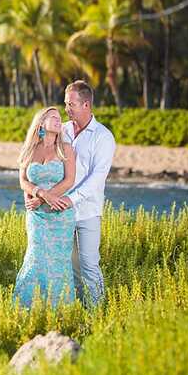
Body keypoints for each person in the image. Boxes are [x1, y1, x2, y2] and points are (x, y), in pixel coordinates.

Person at [25, 80, 116, 307]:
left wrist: (69, 199)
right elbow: (37, 166)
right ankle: (75, 311)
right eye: (66, 103)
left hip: (86, 212)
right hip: (58, 214)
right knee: (66, 266)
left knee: (88, 264)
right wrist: (39, 195)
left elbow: (97, 178)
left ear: (86, 104)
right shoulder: (61, 130)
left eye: (71, 104)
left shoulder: (103, 137)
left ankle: (97, 313)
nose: (67, 109)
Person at [13, 106, 77, 309]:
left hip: (60, 215)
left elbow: (69, 181)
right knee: (35, 257)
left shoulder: (65, 149)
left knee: (59, 263)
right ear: (41, 123)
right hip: (37, 216)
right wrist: (40, 194)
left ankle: (60, 310)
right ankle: (28, 308)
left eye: (60, 117)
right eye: (53, 117)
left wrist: (44, 197)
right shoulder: (30, 149)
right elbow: (23, 181)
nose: (59, 120)